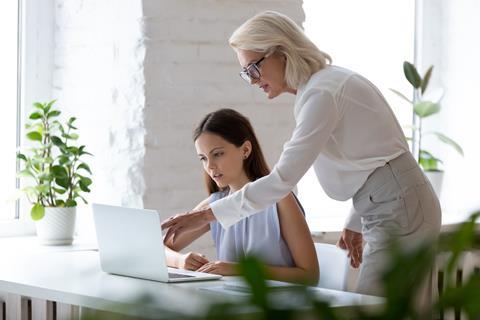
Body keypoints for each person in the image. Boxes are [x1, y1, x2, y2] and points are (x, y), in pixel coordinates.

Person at [162, 11, 441, 296]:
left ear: (281, 52)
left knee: (375, 309)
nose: (253, 80)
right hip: (391, 200)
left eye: (253, 69)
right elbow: (371, 160)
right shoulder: (320, 88)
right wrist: (355, 220)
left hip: (399, 204)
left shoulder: (322, 93)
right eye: (246, 74)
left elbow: (281, 180)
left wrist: (207, 215)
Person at [164, 108, 319, 285]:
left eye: (218, 154)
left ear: (245, 150)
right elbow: (158, 248)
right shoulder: (215, 204)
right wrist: (180, 261)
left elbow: (310, 276)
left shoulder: (280, 199)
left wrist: (238, 269)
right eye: (203, 158)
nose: (210, 166)